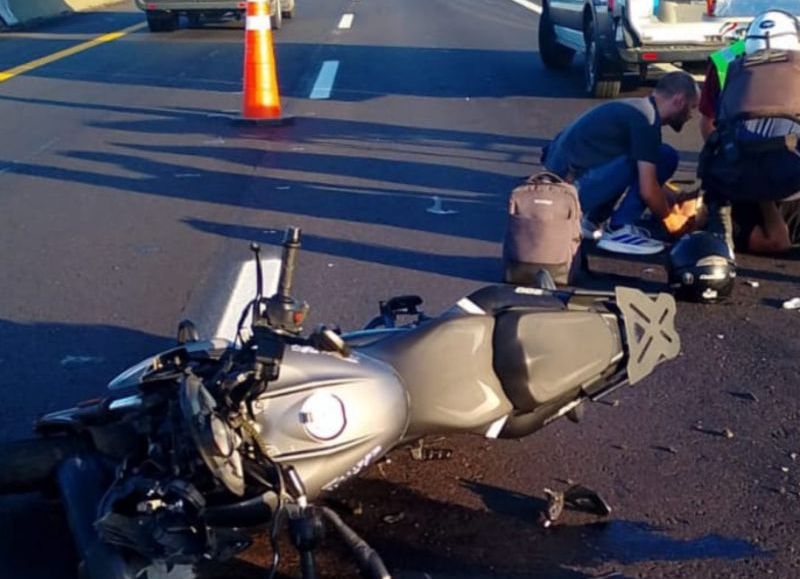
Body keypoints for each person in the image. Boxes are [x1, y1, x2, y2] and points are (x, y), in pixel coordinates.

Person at [542, 71, 700, 255]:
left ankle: (592, 221)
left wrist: (668, 193)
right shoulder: (645, 121)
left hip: (566, 178)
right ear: (679, 100)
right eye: (692, 107)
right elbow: (647, 190)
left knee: (662, 155)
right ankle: (620, 228)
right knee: (655, 158)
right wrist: (672, 221)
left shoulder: (637, 107)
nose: (691, 115)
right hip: (569, 192)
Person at [699, 9, 800, 254]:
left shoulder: (726, 62)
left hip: (739, 170)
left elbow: (709, 126)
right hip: (787, 172)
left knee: (768, 236)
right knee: (780, 239)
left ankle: (717, 224)